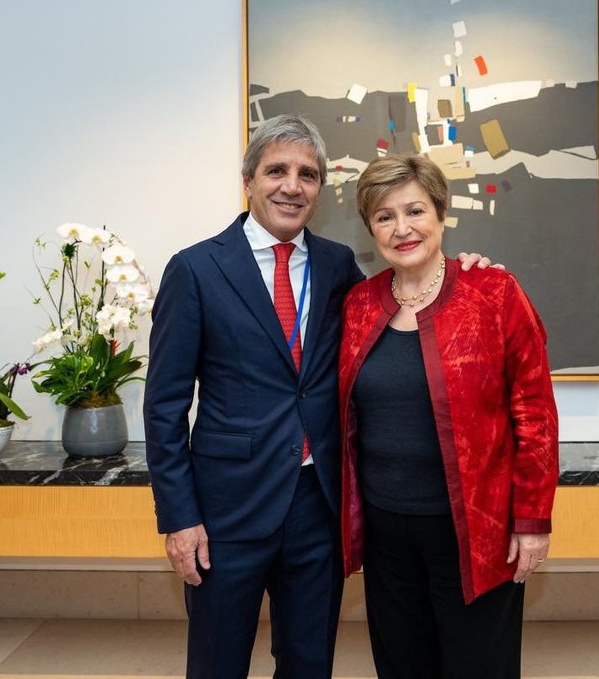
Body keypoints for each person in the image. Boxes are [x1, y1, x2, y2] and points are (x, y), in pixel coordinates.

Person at [144, 115, 492, 679]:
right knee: (216, 664)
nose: (292, 186)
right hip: (226, 512)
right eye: (276, 171)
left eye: (307, 174)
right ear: (248, 180)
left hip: (318, 508)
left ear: (320, 188)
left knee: (309, 664)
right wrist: (179, 518)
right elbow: (163, 407)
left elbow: (411, 295)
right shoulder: (196, 269)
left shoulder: (338, 267)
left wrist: (469, 271)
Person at [338, 153, 559, 679]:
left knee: (478, 665)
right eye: (385, 216)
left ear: (441, 213)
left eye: (414, 211)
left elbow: (535, 415)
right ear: (371, 229)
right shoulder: (359, 304)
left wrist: (531, 522)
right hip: (387, 533)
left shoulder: (495, 292)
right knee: (401, 665)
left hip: (476, 531)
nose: (402, 228)